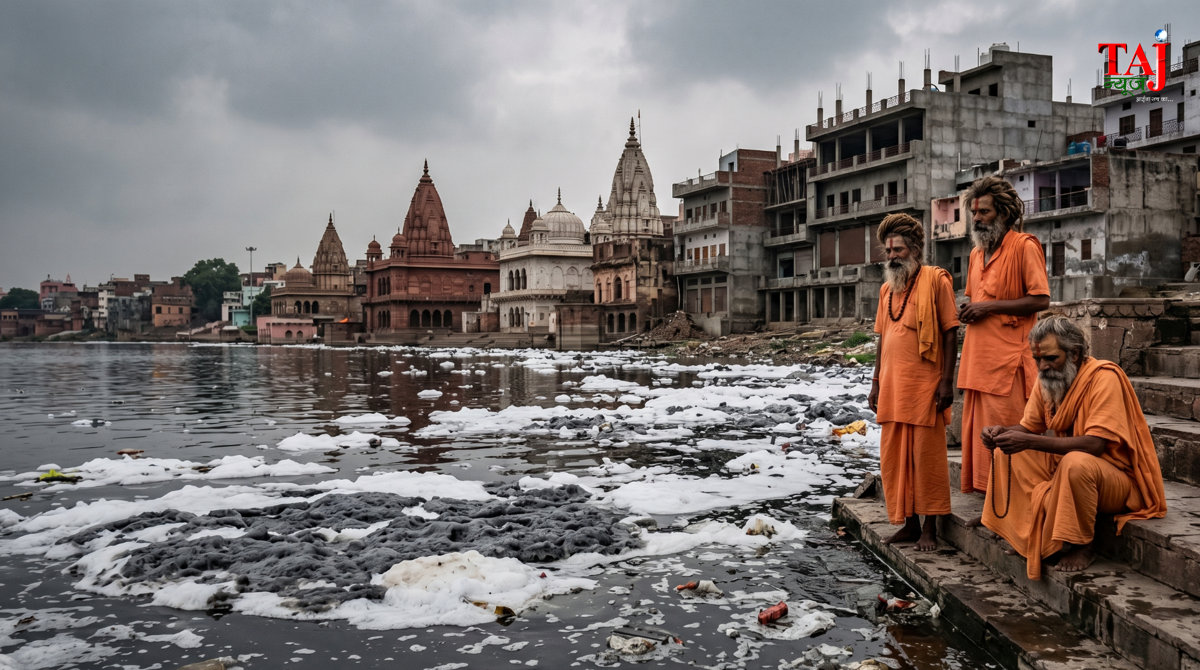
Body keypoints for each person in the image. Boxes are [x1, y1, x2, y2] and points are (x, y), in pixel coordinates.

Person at [981, 315, 1166, 580]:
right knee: (1008, 452)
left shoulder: (1104, 377)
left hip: (1114, 480)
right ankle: (1027, 535)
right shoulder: (1048, 377)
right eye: (1038, 360)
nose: (1042, 367)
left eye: (1051, 359)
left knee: (1076, 463)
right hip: (1067, 469)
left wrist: (1029, 441)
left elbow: (1094, 444)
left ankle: (1082, 545)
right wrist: (999, 432)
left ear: (1075, 354)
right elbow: (1029, 428)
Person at [868, 213, 959, 551]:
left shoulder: (936, 281)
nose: (892, 256)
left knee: (926, 460)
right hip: (892, 388)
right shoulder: (885, 291)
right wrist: (875, 382)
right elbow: (882, 338)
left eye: (899, 250)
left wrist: (947, 381)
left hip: (925, 387)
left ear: (916, 249)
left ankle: (930, 530)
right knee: (895, 460)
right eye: (888, 251)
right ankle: (908, 524)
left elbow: (951, 332)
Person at [957, 176, 1050, 496]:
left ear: (1004, 213)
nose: (977, 218)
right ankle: (991, 509)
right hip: (977, 364)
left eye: (984, 212)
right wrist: (972, 310)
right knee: (981, 441)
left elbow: (1041, 300)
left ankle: (1016, 509)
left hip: (1008, 365)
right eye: (974, 212)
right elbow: (980, 300)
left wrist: (989, 308)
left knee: (1007, 439)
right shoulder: (975, 255)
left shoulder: (1024, 246)